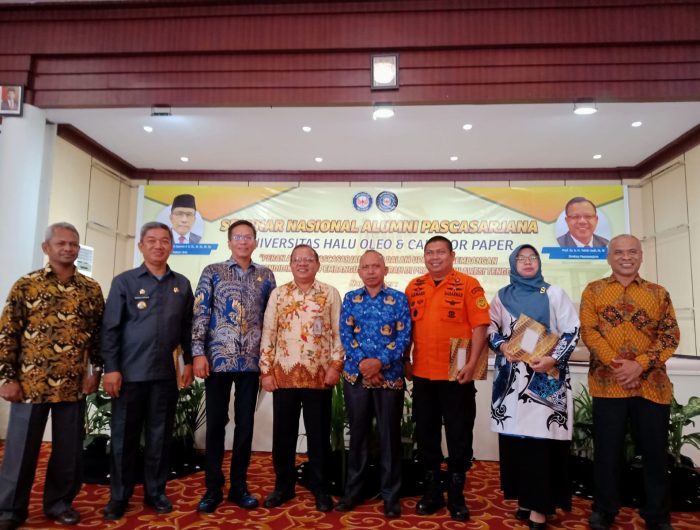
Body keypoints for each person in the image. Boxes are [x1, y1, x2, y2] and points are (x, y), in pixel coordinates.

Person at [0, 222, 104, 530]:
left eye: (73, 244)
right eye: (61, 243)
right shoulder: (27, 285)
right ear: (46, 248)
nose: (68, 248)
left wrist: (95, 371)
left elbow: (98, 337)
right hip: (30, 383)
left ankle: (59, 504)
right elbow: (8, 333)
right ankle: (9, 509)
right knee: (20, 450)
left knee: (68, 452)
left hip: (73, 384)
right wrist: (7, 377)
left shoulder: (90, 289)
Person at [580, 234, 679, 530]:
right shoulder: (593, 290)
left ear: (641, 256)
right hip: (608, 385)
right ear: (609, 257)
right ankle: (604, 510)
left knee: (655, 454)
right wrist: (619, 366)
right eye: (619, 252)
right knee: (607, 452)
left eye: (632, 252)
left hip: (652, 386)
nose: (626, 257)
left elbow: (670, 336)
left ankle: (657, 515)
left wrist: (640, 365)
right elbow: (589, 332)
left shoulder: (658, 293)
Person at [101, 221, 195, 521]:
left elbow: (187, 329)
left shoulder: (182, 284)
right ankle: (119, 496)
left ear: (172, 246)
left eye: (164, 240)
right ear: (141, 245)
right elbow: (111, 329)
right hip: (129, 374)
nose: (158, 245)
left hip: (165, 375)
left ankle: (156, 492)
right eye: (152, 240)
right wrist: (111, 369)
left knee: (160, 437)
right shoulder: (124, 282)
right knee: (123, 438)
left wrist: (189, 361)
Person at [488, 245, 580, 530]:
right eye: (521, 259)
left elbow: (572, 330)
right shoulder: (502, 296)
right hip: (511, 380)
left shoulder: (553, 293)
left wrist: (553, 358)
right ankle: (525, 500)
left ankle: (540, 507)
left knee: (542, 442)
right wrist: (502, 346)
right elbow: (490, 328)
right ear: (513, 264)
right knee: (517, 442)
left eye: (532, 258)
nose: (527, 262)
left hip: (544, 377)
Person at [404, 235, 490, 521]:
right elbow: (406, 329)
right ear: (424, 257)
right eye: (430, 252)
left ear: (452, 256)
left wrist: (473, 363)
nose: (435, 257)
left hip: (457, 373)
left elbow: (481, 327)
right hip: (423, 373)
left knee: (458, 435)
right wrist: (405, 359)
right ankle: (432, 492)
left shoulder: (469, 284)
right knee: (426, 434)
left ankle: (456, 494)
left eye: (440, 252)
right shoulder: (414, 286)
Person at [192, 220, 276, 513]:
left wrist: (268, 361)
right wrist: (197, 353)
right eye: (238, 237)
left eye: (248, 237)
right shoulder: (212, 271)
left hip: (251, 362)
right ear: (229, 242)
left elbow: (271, 320)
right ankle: (212, 488)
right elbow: (201, 313)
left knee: (245, 426)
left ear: (255, 242)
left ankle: (239, 486)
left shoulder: (266, 276)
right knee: (216, 424)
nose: (243, 241)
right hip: (217, 360)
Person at [259, 244, 344, 513]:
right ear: (291, 264)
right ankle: (283, 487)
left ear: (317, 264)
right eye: (297, 260)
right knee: (283, 436)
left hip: (319, 375)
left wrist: (336, 366)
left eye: (308, 260)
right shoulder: (279, 294)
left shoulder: (330, 293)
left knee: (318, 437)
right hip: (283, 374)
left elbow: (339, 333)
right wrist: (266, 370)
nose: (303, 264)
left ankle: (321, 489)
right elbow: (268, 333)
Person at [335, 250, 412, 518]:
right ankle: (353, 492)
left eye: (375, 266)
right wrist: (365, 366)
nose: (370, 271)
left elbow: (403, 337)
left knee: (389, 438)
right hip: (357, 377)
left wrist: (379, 363)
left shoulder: (399, 299)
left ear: (385, 270)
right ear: (359, 271)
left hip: (389, 377)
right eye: (365, 267)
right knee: (358, 436)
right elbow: (346, 335)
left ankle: (390, 495)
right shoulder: (351, 298)